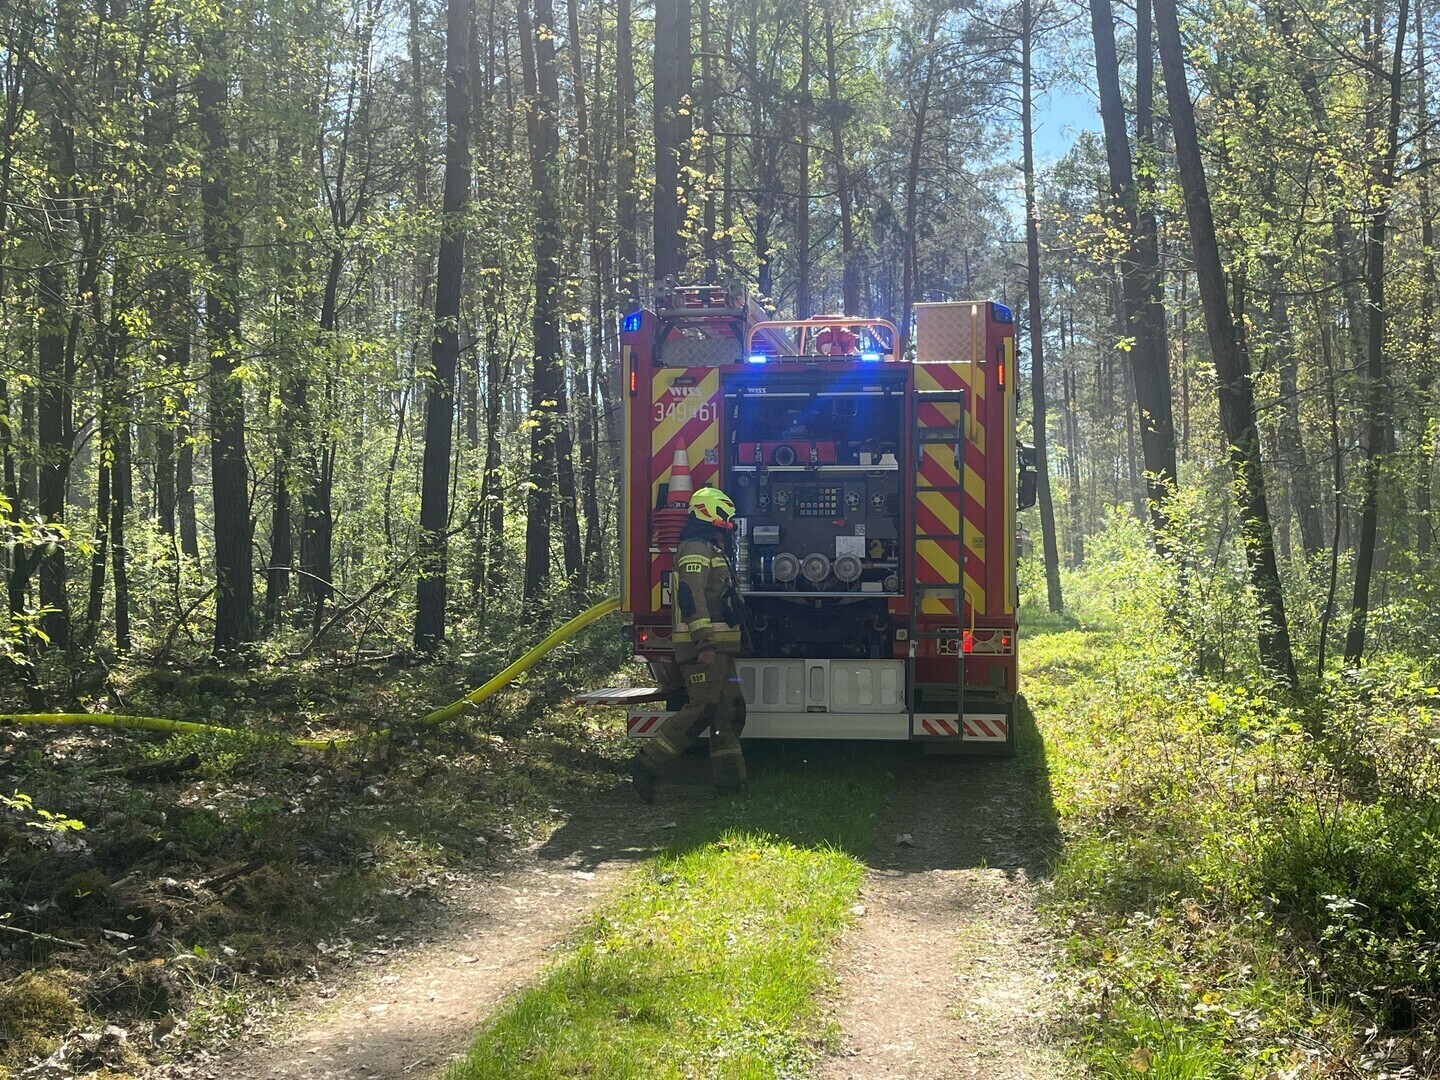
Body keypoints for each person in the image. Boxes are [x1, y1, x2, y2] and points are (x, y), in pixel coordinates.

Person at [629, 486, 748, 801]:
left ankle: (731, 785)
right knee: (703, 708)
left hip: (720, 648)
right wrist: (704, 643)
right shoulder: (696, 548)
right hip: (704, 649)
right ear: (710, 512)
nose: (730, 522)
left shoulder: (712, 547)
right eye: (725, 515)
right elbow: (691, 598)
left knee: (729, 710)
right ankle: (646, 764)